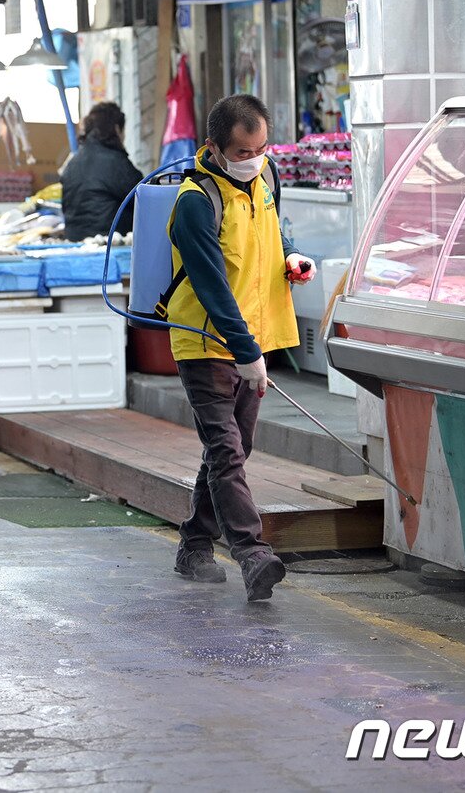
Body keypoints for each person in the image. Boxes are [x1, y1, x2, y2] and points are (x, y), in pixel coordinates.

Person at [164, 94, 314, 602]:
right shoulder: (195, 202)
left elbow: (272, 234)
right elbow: (212, 287)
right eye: (243, 152)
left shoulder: (267, 175)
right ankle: (253, 554)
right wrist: (246, 352)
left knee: (232, 448)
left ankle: (194, 544)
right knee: (227, 450)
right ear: (213, 147)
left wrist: (291, 256)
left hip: (254, 338)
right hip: (205, 341)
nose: (254, 159)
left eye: (261, 148)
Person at [60, 102, 145, 242]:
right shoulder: (116, 162)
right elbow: (144, 198)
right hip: (109, 243)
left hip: (75, 241)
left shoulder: (72, 163)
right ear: (117, 129)